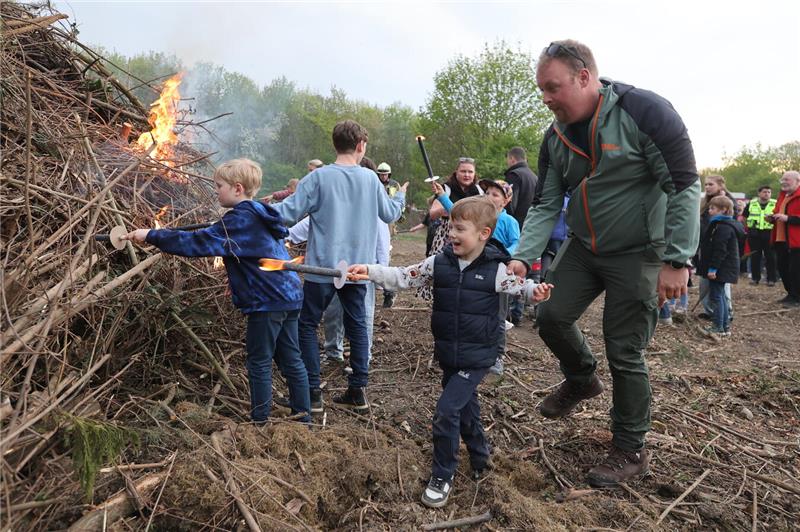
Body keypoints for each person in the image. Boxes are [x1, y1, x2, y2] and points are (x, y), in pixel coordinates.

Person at [507, 39, 700, 487]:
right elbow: (546, 202)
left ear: (584, 77)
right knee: (551, 315)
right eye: (542, 90)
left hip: (640, 252)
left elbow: (685, 185)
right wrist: (523, 256)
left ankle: (629, 448)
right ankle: (580, 378)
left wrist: (677, 260)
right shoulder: (554, 137)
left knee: (624, 348)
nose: (546, 98)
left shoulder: (644, 112)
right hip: (585, 245)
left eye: (553, 87)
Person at [348, 196, 553, 508]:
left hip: (480, 354)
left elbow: (521, 288)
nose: (452, 234)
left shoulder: (496, 269)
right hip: (448, 352)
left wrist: (534, 293)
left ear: (484, 234)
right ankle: (481, 459)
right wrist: (370, 271)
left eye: (460, 229)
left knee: (446, 411)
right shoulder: (439, 262)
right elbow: (405, 276)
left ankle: (443, 473)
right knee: (465, 408)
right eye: (450, 227)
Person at [122, 159, 310, 424]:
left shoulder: (240, 219)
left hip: (268, 300)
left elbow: (198, 243)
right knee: (291, 359)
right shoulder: (258, 213)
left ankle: (260, 423)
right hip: (289, 294)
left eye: (218, 186)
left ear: (237, 188)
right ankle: (304, 418)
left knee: (259, 361)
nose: (215, 191)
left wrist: (152, 235)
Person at [272, 120, 407, 413]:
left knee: (307, 325)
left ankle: (312, 393)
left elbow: (288, 212)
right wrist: (402, 196)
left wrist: (253, 209)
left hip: (322, 269)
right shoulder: (372, 180)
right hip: (357, 270)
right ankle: (358, 390)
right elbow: (390, 212)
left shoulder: (318, 178)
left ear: (336, 144)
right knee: (357, 327)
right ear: (360, 145)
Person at [322, 156, 386, 365]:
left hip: (364, 272)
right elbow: (306, 226)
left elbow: (382, 245)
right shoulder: (339, 205)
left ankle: (362, 359)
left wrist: (380, 274)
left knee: (362, 317)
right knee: (333, 311)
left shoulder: (375, 210)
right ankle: (333, 351)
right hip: (337, 268)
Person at [697, 196, 743, 336]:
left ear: (724, 210)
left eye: (713, 208)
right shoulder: (719, 225)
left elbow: (720, 250)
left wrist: (713, 269)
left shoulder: (723, 228)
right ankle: (724, 326)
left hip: (721, 268)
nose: (709, 211)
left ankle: (718, 326)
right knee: (720, 295)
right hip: (722, 268)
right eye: (710, 208)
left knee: (716, 297)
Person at [697, 175, 736, 320]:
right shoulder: (705, 202)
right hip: (705, 245)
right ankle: (710, 310)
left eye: (710, 184)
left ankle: (726, 312)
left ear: (720, 185)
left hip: (718, 247)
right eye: (705, 184)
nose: (707, 187)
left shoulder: (726, 202)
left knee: (720, 284)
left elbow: (729, 226)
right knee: (704, 282)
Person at [769, 170, 800, 307]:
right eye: (782, 179)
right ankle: (791, 294)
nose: (783, 181)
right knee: (783, 268)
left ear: (798, 181)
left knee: (795, 270)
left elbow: (789, 217)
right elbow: (778, 213)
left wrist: (788, 218)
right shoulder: (782, 196)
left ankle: (797, 298)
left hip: (797, 241)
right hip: (780, 239)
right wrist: (772, 218)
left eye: (787, 179)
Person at [376, 161, 400, 308]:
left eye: (385, 173)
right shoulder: (373, 183)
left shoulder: (394, 186)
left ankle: (388, 292)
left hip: (387, 223)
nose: (383, 176)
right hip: (374, 221)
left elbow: (396, 205)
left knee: (384, 258)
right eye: (381, 174)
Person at [744, 185, 778, 286]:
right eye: (764, 192)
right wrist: (748, 229)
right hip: (754, 233)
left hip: (769, 233)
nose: (767, 194)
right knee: (755, 256)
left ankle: (771, 279)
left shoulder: (775, 203)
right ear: (759, 193)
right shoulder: (752, 203)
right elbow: (744, 216)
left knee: (770, 257)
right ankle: (755, 278)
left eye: (769, 192)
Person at [503, 146, 538, 229]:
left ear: (512, 158)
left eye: (508, 159)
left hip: (515, 227)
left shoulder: (514, 175)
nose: (507, 162)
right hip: (531, 226)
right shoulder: (535, 177)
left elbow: (510, 204)